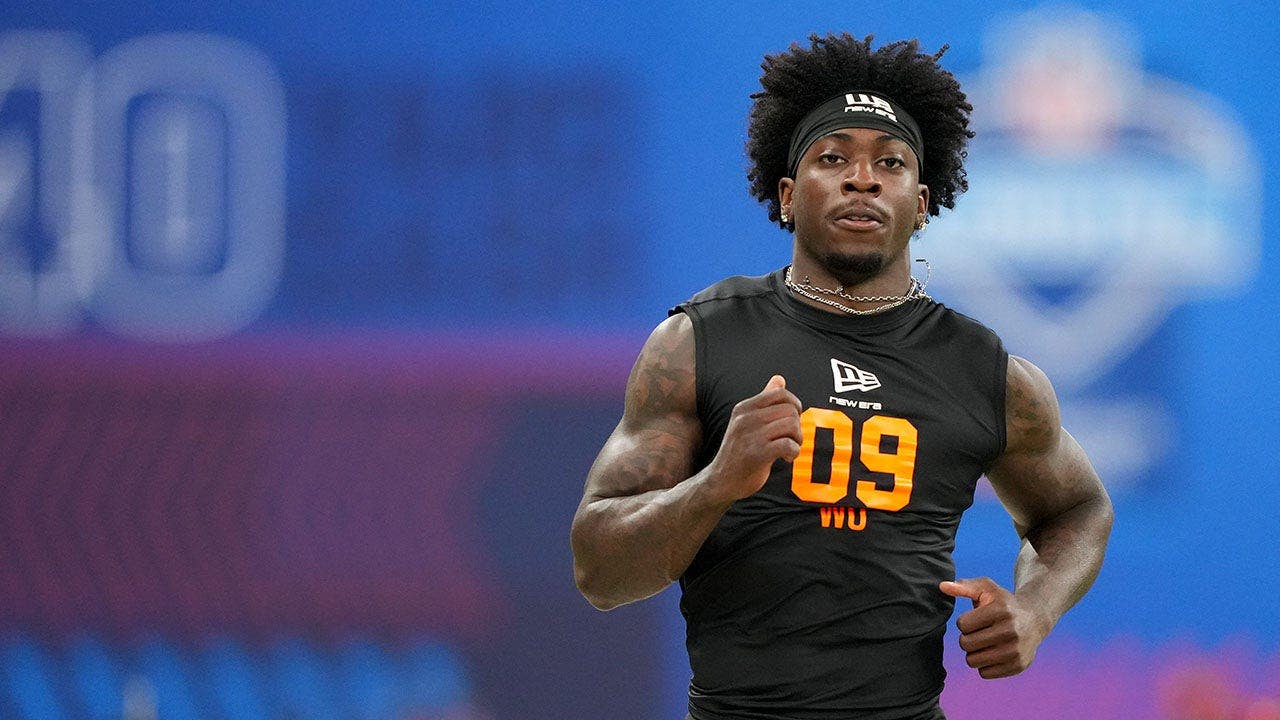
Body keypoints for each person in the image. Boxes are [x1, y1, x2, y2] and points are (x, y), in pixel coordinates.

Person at [570, 33, 1113, 720]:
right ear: (788, 196)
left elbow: (1079, 509)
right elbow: (599, 572)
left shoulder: (986, 372)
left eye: (891, 162)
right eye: (833, 158)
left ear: (922, 202)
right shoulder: (699, 342)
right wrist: (717, 483)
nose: (863, 178)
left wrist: (1034, 609)